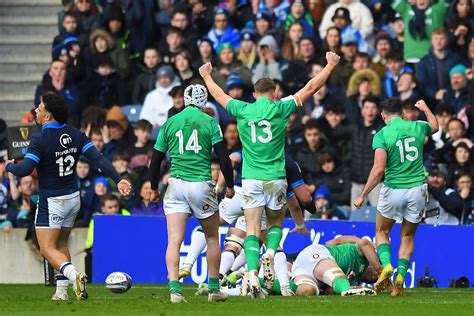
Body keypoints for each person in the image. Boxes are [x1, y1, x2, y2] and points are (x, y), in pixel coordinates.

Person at [199, 51, 340, 297]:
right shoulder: (280, 108)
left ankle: (252, 273)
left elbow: (219, 95)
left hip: (251, 178)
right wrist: (329, 66)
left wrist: (207, 76)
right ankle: (272, 254)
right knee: (275, 223)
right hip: (276, 177)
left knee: (252, 230)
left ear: (254, 95)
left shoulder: (242, 108)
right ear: (274, 94)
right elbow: (310, 87)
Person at [5, 92, 131, 301]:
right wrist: (118, 179)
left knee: (46, 249)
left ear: (48, 116)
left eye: (40, 107)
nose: (36, 109)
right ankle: (61, 292)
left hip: (52, 200)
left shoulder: (39, 138)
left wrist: (8, 166)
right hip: (73, 198)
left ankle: (74, 276)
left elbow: (26, 169)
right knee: (61, 244)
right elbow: (99, 159)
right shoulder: (76, 134)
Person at [148, 84, 235, 303]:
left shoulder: (170, 123)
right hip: (201, 185)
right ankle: (214, 290)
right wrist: (230, 185)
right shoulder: (210, 122)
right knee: (212, 237)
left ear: (185, 100)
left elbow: (156, 159)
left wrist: (152, 187)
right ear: (204, 101)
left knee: (174, 240)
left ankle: (175, 290)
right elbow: (224, 157)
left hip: (176, 184)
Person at [353, 98, 438, 296]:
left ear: (383, 116)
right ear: (403, 114)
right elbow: (435, 126)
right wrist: (425, 108)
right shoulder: (417, 126)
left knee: (382, 231)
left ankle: (387, 265)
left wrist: (363, 194)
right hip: (417, 189)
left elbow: (379, 168)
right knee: (407, 236)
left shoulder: (382, 135)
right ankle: (401, 274)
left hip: (393, 189)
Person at [292, 235, 379, 296]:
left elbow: (328, 291)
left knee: (307, 291)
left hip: (303, 270)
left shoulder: (354, 280)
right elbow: (363, 243)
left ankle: (281, 285)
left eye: (377, 278)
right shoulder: (359, 255)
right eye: (376, 273)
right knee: (334, 274)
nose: (376, 276)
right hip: (315, 254)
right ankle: (346, 289)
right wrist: (381, 270)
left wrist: (355, 287)